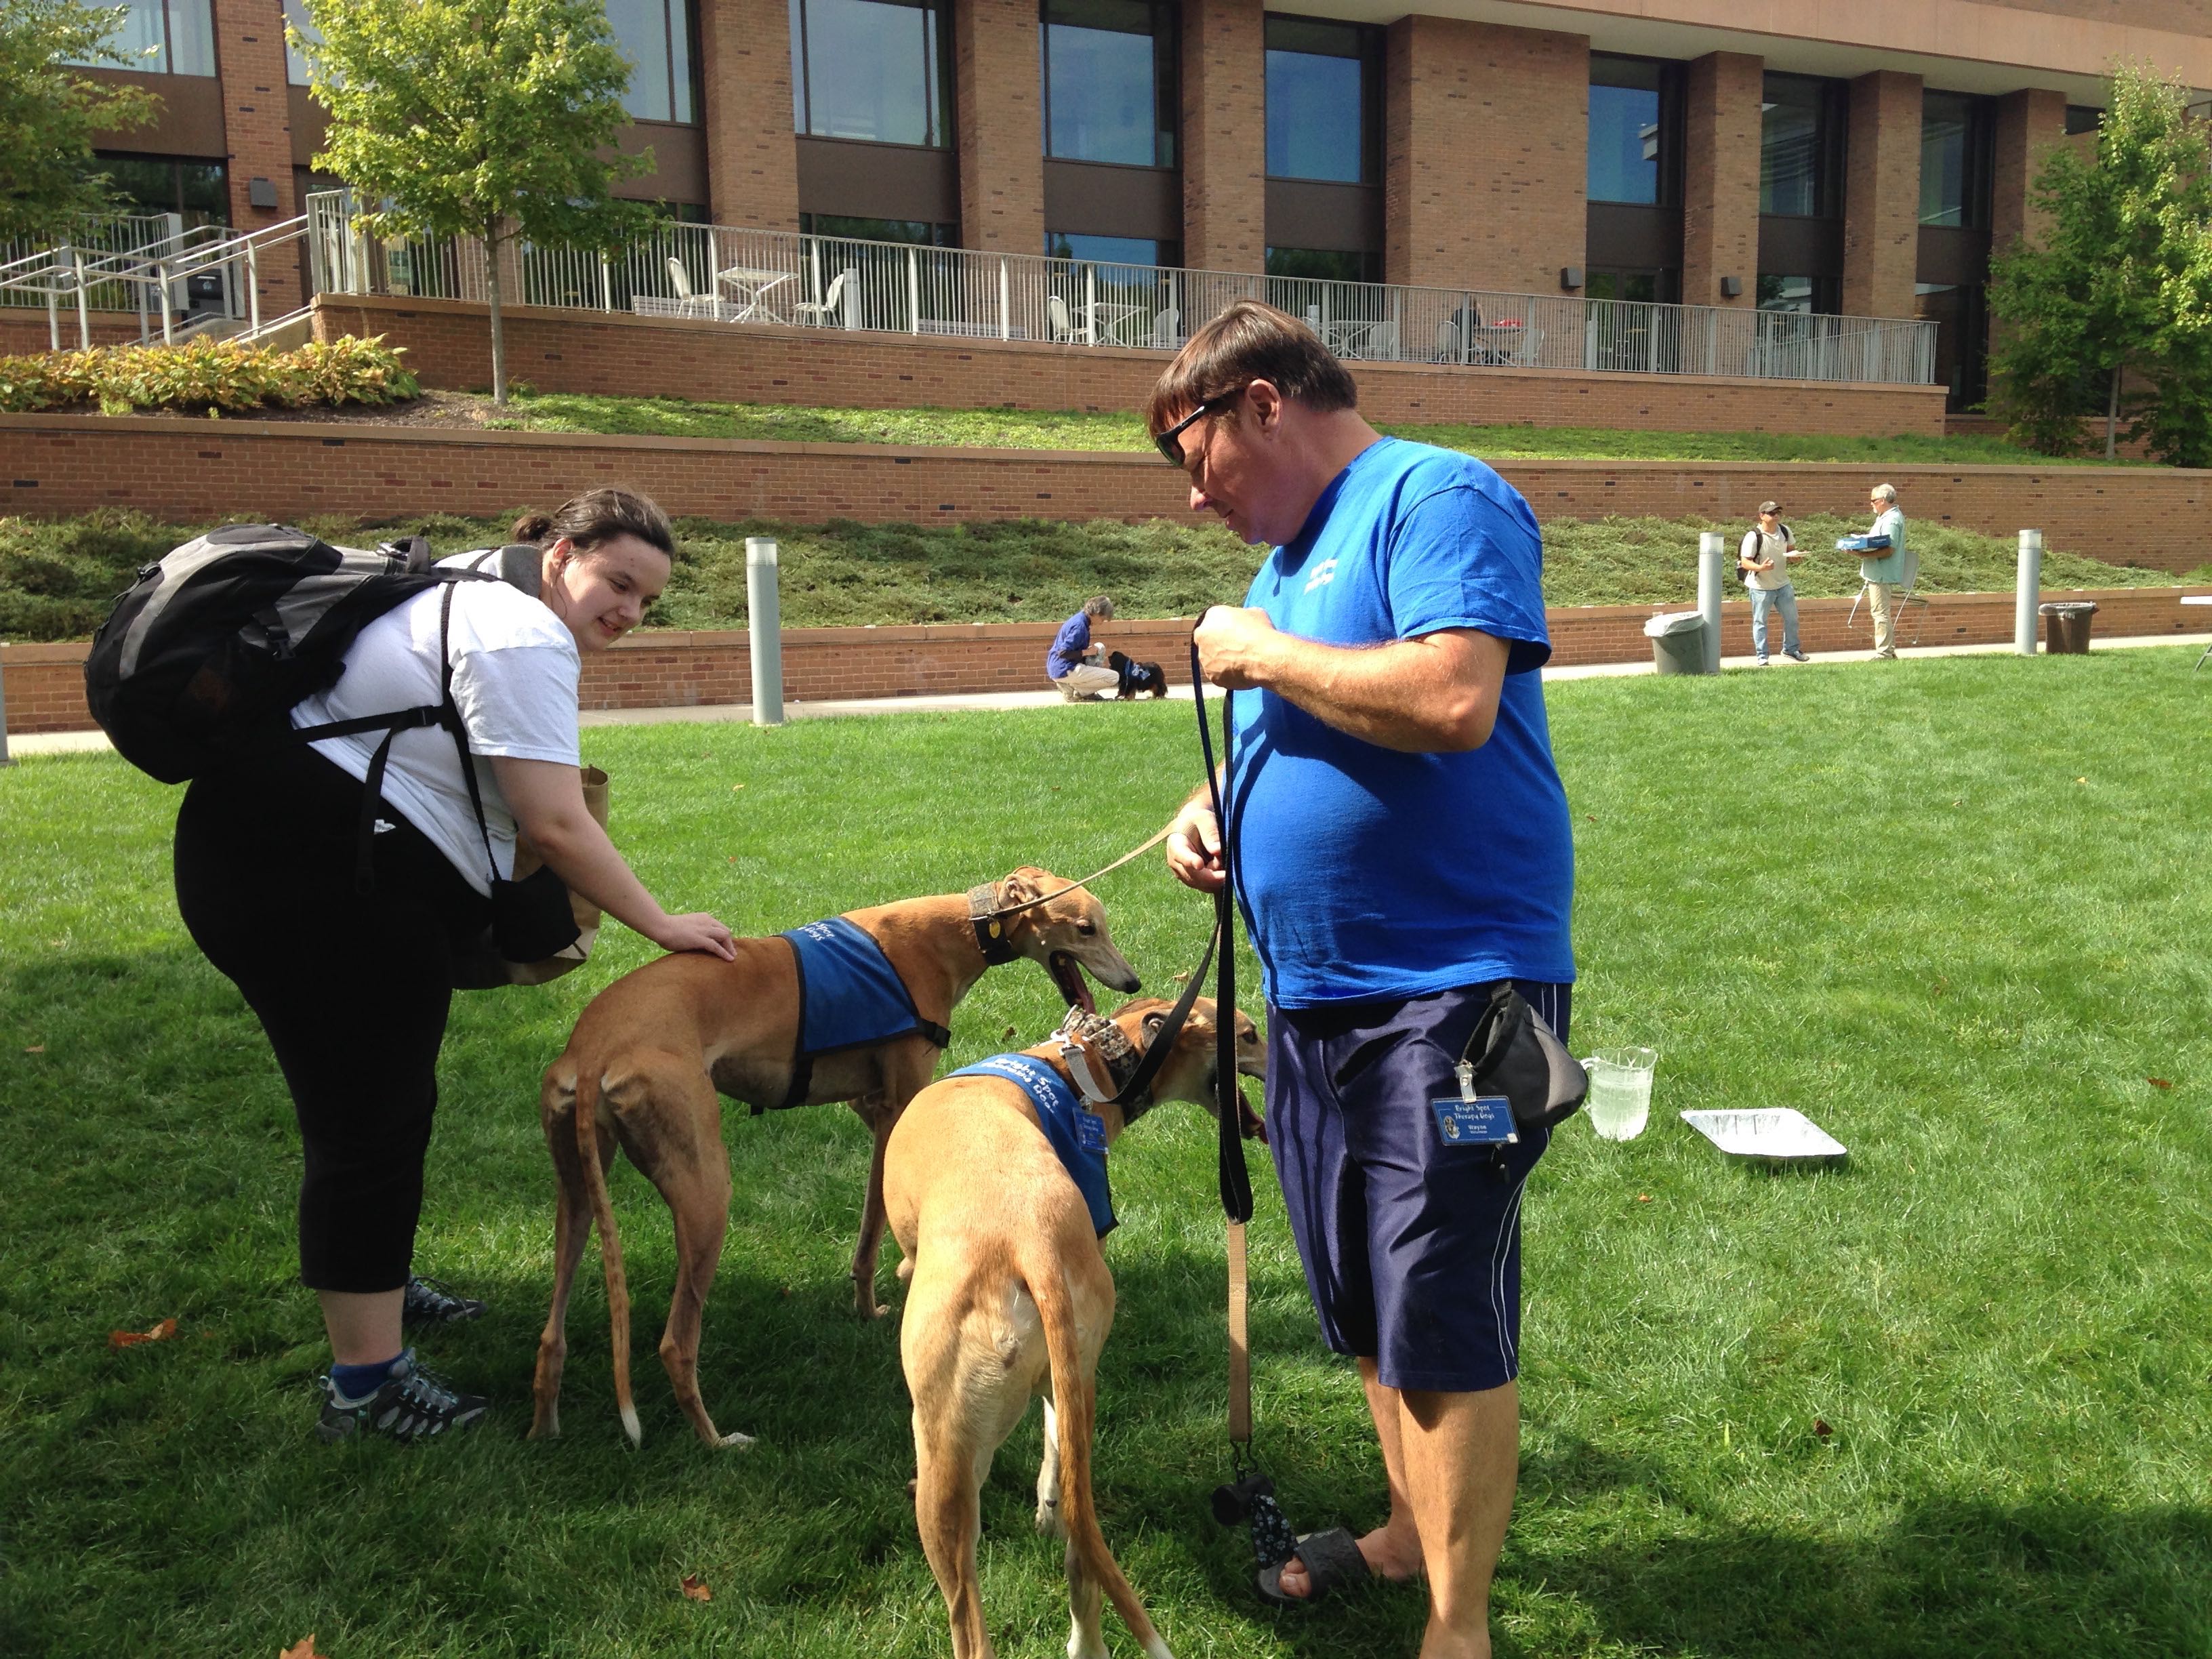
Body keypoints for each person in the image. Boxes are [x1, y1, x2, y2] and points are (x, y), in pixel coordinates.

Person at [1150, 301, 1574, 1658]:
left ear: (1262, 404)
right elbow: (1316, 711)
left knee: (1437, 1295)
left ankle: (1460, 1626)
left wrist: (1261, 656)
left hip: (1454, 996)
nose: (1199, 498)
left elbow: (1453, 695)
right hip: (1319, 999)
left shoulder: (1436, 495)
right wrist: (1212, 806)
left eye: (1197, 459)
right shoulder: (1286, 565)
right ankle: (1403, 1534)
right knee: (1362, 1296)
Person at [171, 487, 737, 1444]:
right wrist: (660, 924)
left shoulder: (465, 578)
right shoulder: (521, 633)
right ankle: (366, 1386)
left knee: (367, 1105)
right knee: (370, 1122)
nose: (631, 614)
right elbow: (553, 821)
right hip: (321, 878)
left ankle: (377, 1282)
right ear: (562, 554)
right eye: (619, 583)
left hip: (274, 857)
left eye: (648, 600)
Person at [1739, 500, 1807, 665]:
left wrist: (1796, 558)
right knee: (1760, 622)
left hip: (1783, 584)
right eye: (1772, 513)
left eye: (1778, 513)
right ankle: (1762, 656)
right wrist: (1761, 567)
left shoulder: (1785, 531)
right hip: (1760, 587)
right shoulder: (1754, 536)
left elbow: (1791, 552)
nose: (1776, 516)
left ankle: (1791, 650)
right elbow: (1745, 562)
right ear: (1762, 516)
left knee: (1792, 619)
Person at [1859, 483, 1908, 659]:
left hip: (1882, 573)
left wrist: (1862, 555)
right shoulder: (1884, 516)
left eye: (1873, 500)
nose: (1871, 504)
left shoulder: (1892, 520)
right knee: (1880, 612)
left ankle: (1884, 653)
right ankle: (1889, 651)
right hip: (1877, 572)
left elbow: (1889, 549)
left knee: (1880, 613)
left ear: (1882, 500)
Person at [1046, 594, 1122, 700]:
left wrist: (1088, 651)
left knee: (1100, 647)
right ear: (1096, 613)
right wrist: (1087, 652)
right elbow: (1063, 653)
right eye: (1103, 619)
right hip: (1064, 668)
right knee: (1114, 677)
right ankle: (1076, 690)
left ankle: (1080, 690)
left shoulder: (1080, 619)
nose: (1102, 623)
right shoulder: (1080, 627)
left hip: (1061, 666)